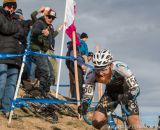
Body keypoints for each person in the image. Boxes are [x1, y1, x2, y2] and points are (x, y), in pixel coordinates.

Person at [78, 49, 141, 130]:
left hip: (127, 92)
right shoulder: (92, 74)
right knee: (96, 121)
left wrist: (127, 96)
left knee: (134, 124)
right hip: (111, 94)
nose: (100, 73)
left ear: (110, 65)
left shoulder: (120, 67)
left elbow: (136, 88)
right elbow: (88, 94)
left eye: (104, 69)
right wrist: (85, 104)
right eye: (98, 69)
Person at [0, 0, 25, 117]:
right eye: (9, 6)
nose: (12, 9)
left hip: (15, 57)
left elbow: (22, 33)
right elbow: (4, 28)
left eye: (14, 6)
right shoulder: (0, 15)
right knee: (1, 82)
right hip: (2, 55)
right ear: (4, 6)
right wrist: (15, 28)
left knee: (11, 85)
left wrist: (13, 29)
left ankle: (7, 109)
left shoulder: (16, 19)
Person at [30, 7, 58, 95]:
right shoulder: (39, 22)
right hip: (37, 51)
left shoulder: (48, 27)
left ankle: (45, 92)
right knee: (45, 71)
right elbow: (34, 31)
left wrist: (50, 37)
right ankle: (40, 91)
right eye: (49, 17)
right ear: (45, 16)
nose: (51, 19)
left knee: (52, 74)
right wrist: (42, 31)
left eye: (53, 18)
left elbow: (51, 38)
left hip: (43, 52)